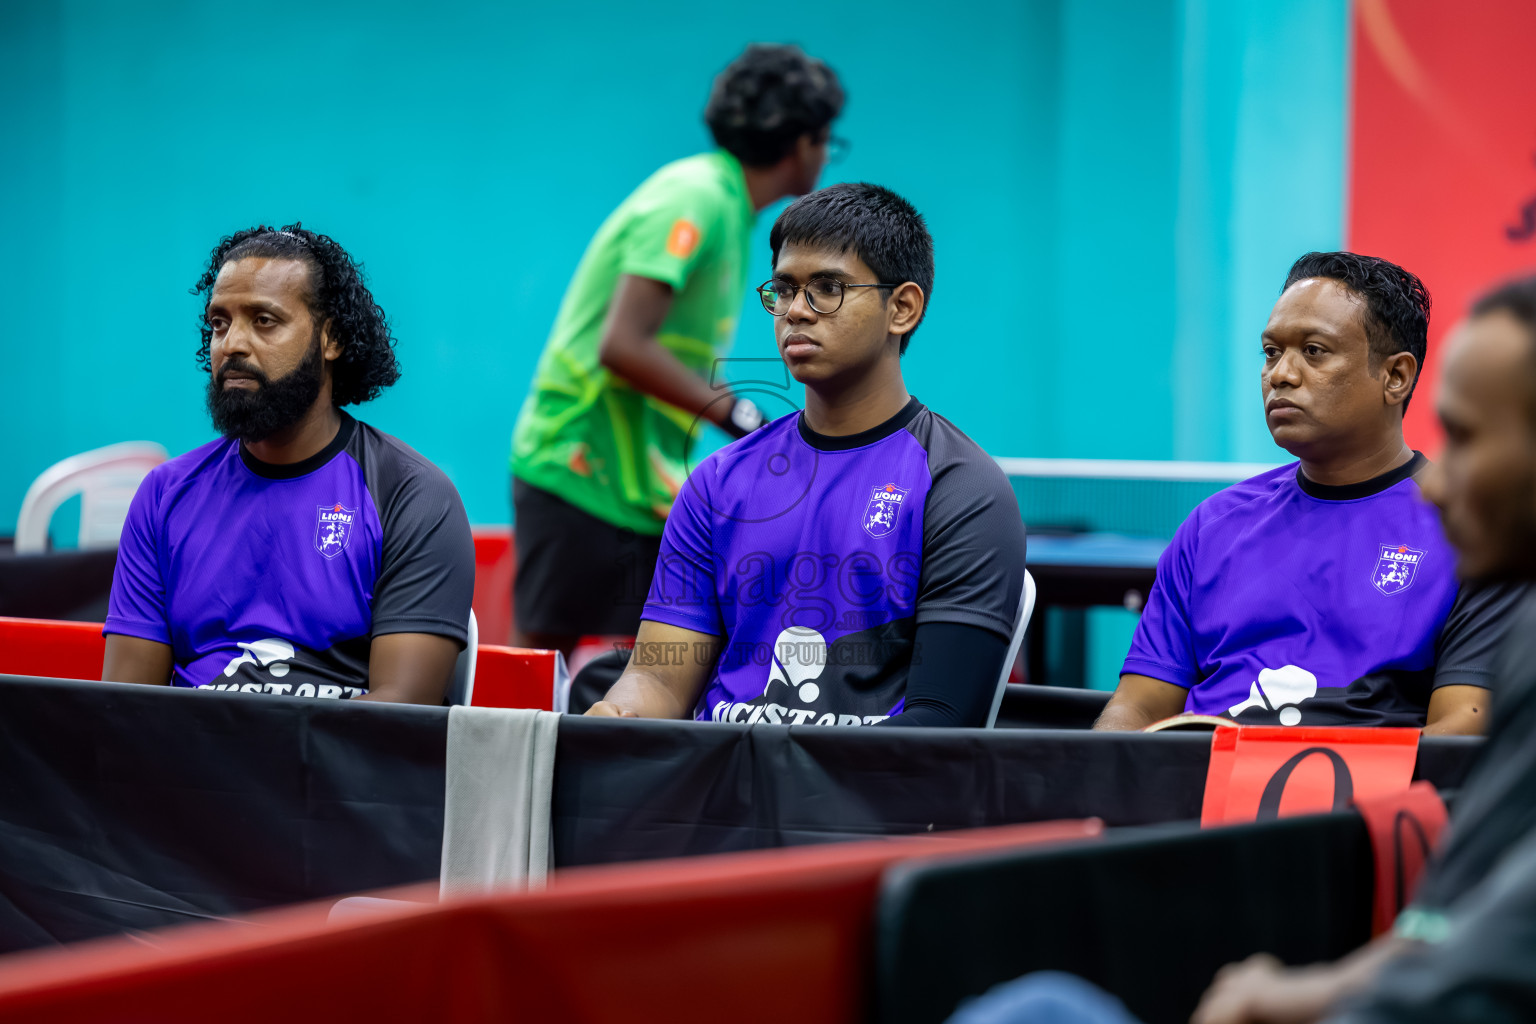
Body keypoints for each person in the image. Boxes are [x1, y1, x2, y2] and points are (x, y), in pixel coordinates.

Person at [585, 182, 1027, 727]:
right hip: (717, 794)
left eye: (827, 288)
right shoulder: (716, 484)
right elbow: (657, 678)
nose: (796, 310)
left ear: (903, 308)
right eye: (784, 289)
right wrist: (617, 716)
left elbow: (939, 724)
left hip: (860, 804)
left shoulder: (961, 489)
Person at [509, 44, 845, 657]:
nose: (826, 155)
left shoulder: (730, 210)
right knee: (538, 668)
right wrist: (743, 418)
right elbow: (622, 344)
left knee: (666, 657)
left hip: (640, 480)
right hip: (579, 462)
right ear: (803, 142)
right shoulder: (696, 197)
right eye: (828, 141)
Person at [1095, 252, 1523, 733]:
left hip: (1358, 804)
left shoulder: (1471, 533)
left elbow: (1460, 733)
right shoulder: (1210, 526)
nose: (1281, 374)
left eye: (1314, 351)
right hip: (1193, 795)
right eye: (1271, 352)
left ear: (1395, 377)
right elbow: (1136, 709)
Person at [101, 225, 475, 704]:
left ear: (331, 339)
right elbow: (124, 712)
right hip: (191, 770)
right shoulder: (164, 496)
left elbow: (397, 723)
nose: (231, 343)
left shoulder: (410, 495)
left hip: (333, 772)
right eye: (219, 322)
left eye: (263, 320)